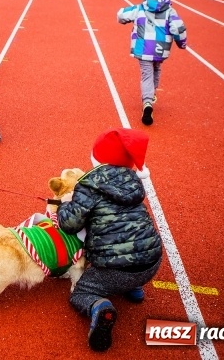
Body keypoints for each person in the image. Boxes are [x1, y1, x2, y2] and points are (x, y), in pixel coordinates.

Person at [55, 128, 162, 352]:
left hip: (116, 268)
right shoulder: (133, 182)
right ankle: (135, 289)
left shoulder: (88, 185)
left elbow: (70, 224)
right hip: (152, 262)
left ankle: (100, 306)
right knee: (132, 246)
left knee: (81, 293)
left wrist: (64, 205)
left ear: (97, 158)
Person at [117, 0, 187, 125]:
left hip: (142, 49)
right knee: (157, 69)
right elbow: (178, 29)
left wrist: (126, 19)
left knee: (146, 74)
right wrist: (182, 43)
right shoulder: (170, 12)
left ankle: (147, 101)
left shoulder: (140, 8)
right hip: (160, 50)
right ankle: (152, 93)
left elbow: (121, 15)